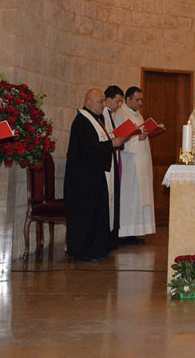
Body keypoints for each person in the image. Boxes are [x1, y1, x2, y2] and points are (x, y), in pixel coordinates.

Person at [64, 89, 124, 262]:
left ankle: (96, 249)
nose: (103, 104)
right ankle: (83, 251)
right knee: (86, 216)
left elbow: (97, 146)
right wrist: (112, 143)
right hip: (82, 181)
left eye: (104, 101)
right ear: (89, 102)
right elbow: (90, 150)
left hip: (94, 177)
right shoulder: (82, 121)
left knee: (96, 214)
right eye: (100, 101)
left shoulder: (95, 120)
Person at [113, 86, 155, 244]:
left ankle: (135, 232)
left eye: (141, 100)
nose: (140, 103)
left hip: (141, 161)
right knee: (129, 199)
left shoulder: (139, 115)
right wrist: (139, 138)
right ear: (127, 99)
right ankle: (124, 233)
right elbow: (119, 139)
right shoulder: (120, 114)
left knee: (140, 198)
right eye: (137, 99)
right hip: (129, 164)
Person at [102, 85, 125, 248]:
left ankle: (111, 237)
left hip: (112, 158)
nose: (119, 105)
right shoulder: (102, 115)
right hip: (105, 164)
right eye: (117, 101)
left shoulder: (108, 114)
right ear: (108, 99)